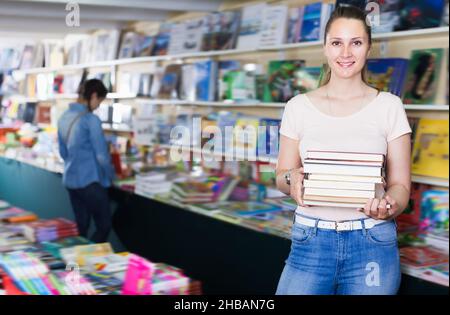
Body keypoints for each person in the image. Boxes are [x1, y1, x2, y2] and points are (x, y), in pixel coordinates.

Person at [275, 6, 412, 295]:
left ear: (368, 48)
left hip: (372, 241)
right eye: (337, 42)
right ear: (325, 47)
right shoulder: (298, 107)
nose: (346, 53)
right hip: (310, 240)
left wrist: (389, 206)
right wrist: (293, 180)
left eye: (356, 43)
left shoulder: (389, 106)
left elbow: (400, 186)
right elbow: (282, 175)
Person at [57, 79, 115, 243]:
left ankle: (76, 265)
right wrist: (111, 175)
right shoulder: (91, 120)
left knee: (81, 228)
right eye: (100, 101)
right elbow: (102, 156)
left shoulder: (64, 117)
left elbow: (63, 152)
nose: (98, 106)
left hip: (71, 182)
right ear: (94, 96)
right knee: (104, 226)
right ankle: (88, 263)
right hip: (91, 182)